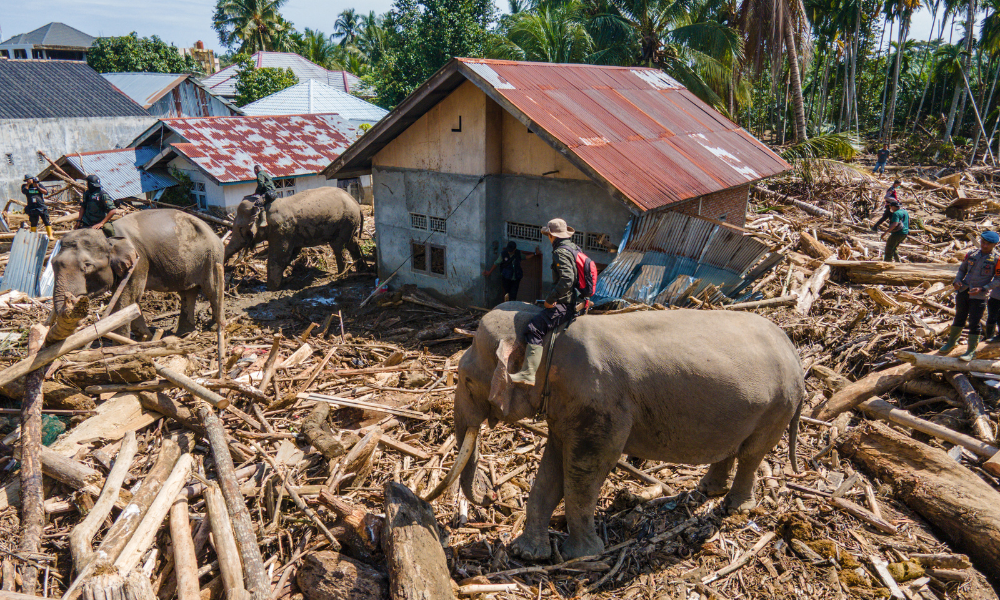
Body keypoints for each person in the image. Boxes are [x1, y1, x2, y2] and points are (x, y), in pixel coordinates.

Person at [510, 219, 581, 386]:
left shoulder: (560, 252)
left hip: (565, 303)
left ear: (551, 235)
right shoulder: (575, 248)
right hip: (575, 300)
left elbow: (567, 279)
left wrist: (550, 300)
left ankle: (528, 374)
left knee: (534, 328)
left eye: (548, 235)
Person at [940, 231, 1000, 361]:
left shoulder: (997, 259)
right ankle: (952, 342)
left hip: (979, 296)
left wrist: (984, 288)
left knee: (974, 322)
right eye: (983, 242)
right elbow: (962, 270)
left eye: (988, 244)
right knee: (959, 317)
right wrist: (957, 281)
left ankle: (971, 350)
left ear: (995, 244)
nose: (984, 246)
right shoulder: (972, 254)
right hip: (964, 290)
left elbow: (998, 279)